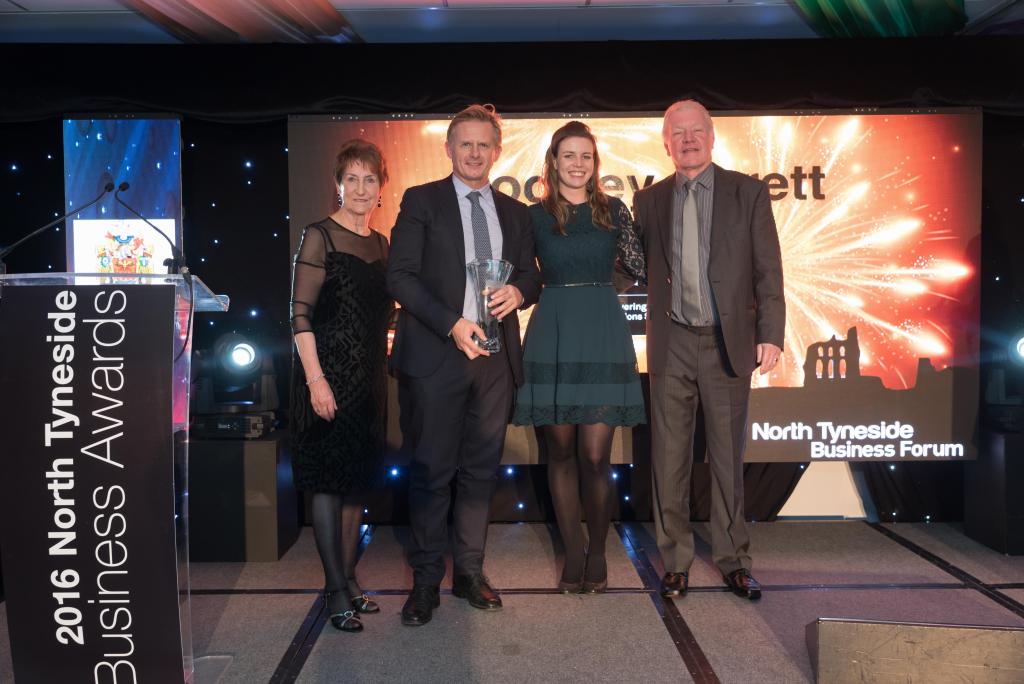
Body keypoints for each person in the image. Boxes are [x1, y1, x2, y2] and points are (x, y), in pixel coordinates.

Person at [387, 104, 542, 626]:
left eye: (483, 145)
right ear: (449, 148)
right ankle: (426, 580)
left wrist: (520, 291)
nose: (475, 153)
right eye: (465, 144)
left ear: (496, 151)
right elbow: (400, 276)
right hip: (439, 355)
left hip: (495, 360)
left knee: (480, 472)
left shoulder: (515, 212)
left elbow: (531, 275)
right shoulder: (421, 200)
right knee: (432, 471)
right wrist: (452, 323)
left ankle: (470, 573)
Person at [632, 100, 785, 601]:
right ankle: (674, 562)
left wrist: (771, 332)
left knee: (726, 460)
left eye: (696, 131)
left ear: (712, 137)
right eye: (678, 133)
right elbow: (632, 265)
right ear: (666, 143)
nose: (688, 140)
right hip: (672, 341)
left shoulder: (748, 192)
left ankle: (734, 561)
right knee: (668, 458)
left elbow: (768, 270)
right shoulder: (649, 200)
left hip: (727, 342)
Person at [513, 121, 646, 594]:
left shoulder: (614, 210)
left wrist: (601, 289)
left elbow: (637, 264)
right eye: (568, 155)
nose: (577, 163)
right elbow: (523, 275)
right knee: (561, 451)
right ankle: (573, 551)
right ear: (553, 161)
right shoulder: (533, 216)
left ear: (595, 162)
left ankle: (600, 553)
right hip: (552, 331)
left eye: (585, 156)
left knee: (595, 455)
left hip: (602, 332)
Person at [290, 139, 394, 633]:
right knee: (329, 485)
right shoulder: (319, 237)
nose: (360, 188)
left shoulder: (382, 244)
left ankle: (349, 580)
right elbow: (299, 316)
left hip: (369, 383)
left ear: (381, 188)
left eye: (369, 179)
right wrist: (316, 381)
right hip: (326, 378)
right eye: (351, 178)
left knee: (355, 484)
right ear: (338, 184)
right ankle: (333, 590)